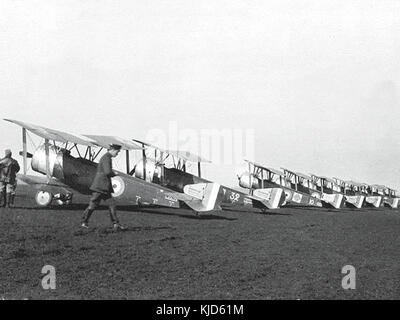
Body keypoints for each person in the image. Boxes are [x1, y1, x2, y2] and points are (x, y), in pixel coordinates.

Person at [81, 144, 126, 230]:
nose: (117, 153)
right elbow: (108, 172)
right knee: (94, 204)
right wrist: (115, 174)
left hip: (103, 186)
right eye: (117, 152)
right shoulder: (106, 158)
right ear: (112, 150)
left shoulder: (106, 157)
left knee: (110, 204)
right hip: (101, 186)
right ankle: (84, 222)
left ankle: (116, 224)